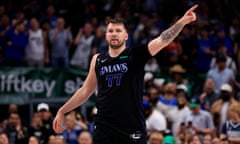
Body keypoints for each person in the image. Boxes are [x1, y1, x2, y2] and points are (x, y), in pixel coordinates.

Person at [53, 5, 198, 144]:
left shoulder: (135, 55)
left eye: (118, 30)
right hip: (104, 127)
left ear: (126, 36)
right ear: (106, 36)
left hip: (131, 127)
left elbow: (163, 39)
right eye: (110, 31)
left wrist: (182, 22)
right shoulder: (97, 59)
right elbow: (85, 91)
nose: (114, 33)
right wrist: (62, 110)